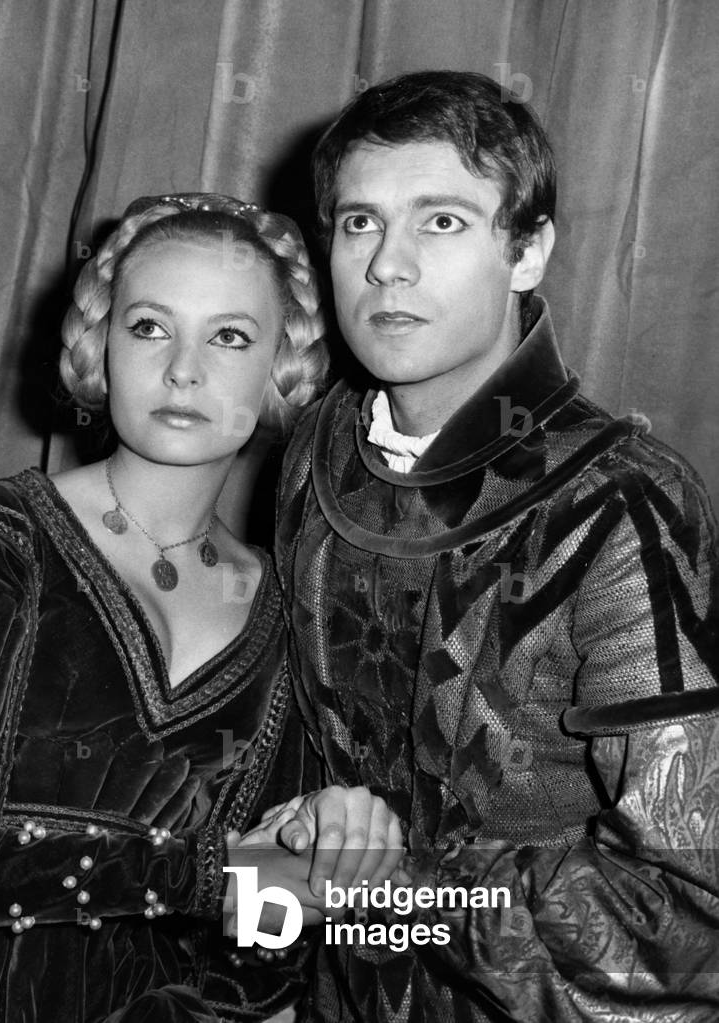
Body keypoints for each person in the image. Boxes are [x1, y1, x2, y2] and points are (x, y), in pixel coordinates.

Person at [275, 71, 719, 1022]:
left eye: (440, 221)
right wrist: (278, 861)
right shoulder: (319, 447)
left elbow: (687, 920)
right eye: (359, 222)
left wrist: (389, 896)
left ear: (528, 251)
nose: (387, 265)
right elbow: (300, 769)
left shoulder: (624, 500)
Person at [0, 192, 402, 1023]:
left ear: (282, 367)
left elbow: (261, 957)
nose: (184, 369)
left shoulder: (290, 618)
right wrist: (205, 874)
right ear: (100, 345)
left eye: (230, 336)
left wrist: (323, 844)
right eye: (150, 326)